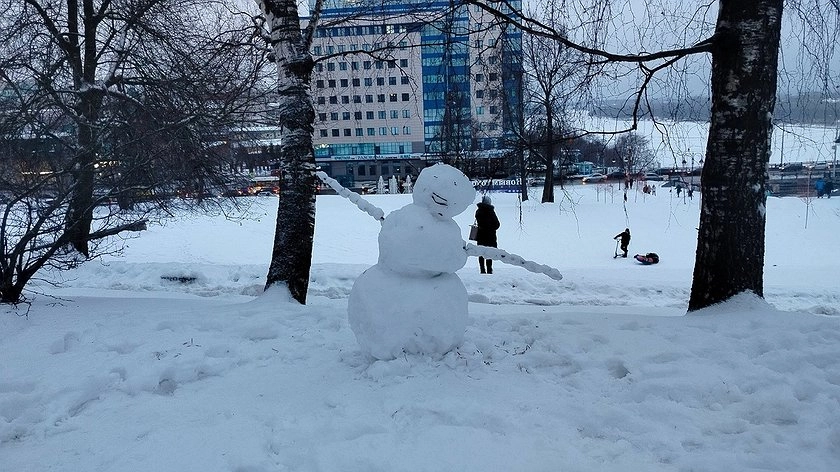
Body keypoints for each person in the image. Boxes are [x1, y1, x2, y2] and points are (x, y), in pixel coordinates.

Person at [474, 194, 500, 274]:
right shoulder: (491, 212)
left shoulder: (478, 211)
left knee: (481, 252)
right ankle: (489, 269)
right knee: (489, 252)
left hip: (480, 235)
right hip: (490, 236)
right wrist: (491, 228)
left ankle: (482, 269)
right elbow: (497, 224)